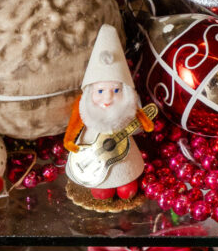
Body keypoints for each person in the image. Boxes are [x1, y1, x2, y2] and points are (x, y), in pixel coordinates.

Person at [63, 25, 154, 209]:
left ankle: (124, 184)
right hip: (90, 158)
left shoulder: (126, 107)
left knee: (125, 177)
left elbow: (140, 116)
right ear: (91, 91)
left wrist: (146, 122)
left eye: (115, 90)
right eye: (101, 90)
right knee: (100, 191)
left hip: (123, 156)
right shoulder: (85, 107)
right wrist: (69, 141)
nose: (108, 97)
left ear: (125, 91)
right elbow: (74, 124)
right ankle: (101, 188)